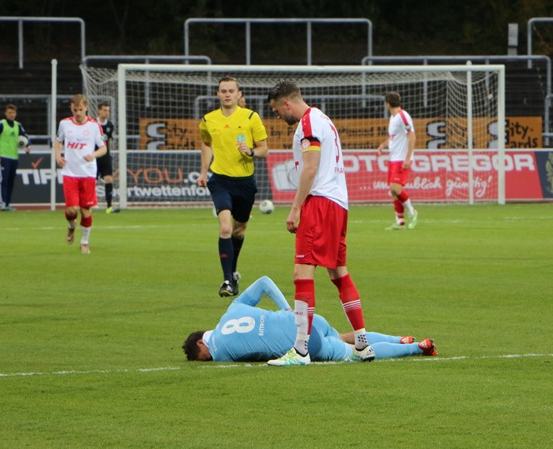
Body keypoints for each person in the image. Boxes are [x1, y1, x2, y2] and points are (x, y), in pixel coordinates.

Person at [266, 79, 375, 366]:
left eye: (277, 111)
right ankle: (362, 343)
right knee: (339, 272)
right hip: (339, 203)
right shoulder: (324, 119)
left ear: (287, 103)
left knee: (302, 270)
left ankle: (300, 350)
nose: (278, 117)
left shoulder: (309, 124)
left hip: (320, 202)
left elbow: (311, 168)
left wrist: (295, 208)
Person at [182, 276, 437, 363]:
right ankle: (400, 338)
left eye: (203, 358)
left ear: (202, 345)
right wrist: (286, 310)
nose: (209, 359)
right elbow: (264, 282)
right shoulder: (233, 310)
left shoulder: (221, 352)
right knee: (345, 336)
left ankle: (416, 347)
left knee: (357, 352)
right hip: (306, 320)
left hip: (304, 345)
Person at [198, 76, 269, 298]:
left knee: (239, 230)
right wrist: (203, 171)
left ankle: (233, 271)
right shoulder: (208, 119)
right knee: (226, 227)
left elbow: (264, 148)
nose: (227, 94)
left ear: (239, 94)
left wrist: (250, 151)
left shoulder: (251, 117)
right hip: (220, 180)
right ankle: (227, 280)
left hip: (245, 182)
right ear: (218, 94)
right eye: (223, 90)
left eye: (231, 90)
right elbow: (207, 144)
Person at [54, 94, 107, 254]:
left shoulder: (94, 126)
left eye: (81, 109)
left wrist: (93, 155)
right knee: (72, 210)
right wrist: (58, 156)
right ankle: (71, 227)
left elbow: (103, 148)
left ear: (86, 109)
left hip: (88, 174)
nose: (78, 113)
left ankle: (84, 242)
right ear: (71, 108)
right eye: (75, 110)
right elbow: (58, 142)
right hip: (70, 172)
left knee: (85, 210)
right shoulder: (64, 123)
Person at [377, 91, 418, 230]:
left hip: (402, 159)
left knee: (396, 187)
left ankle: (412, 212)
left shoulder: (403, 116)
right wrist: (383, 144)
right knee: (392, 190)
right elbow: (393, 137)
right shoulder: (393, 118)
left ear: (387, 104)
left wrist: (408, 158)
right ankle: (399, 221)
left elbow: (412, 136)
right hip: (393, 158)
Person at [0, 104, 30, 211]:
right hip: (3, 156)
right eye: (9, 112)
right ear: (5, 113)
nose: (11, 115)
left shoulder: (18, 125)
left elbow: (26, 137)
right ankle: (2, 203)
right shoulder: (1, 124)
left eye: (13, 113)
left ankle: (7, 204)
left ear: (16, 114)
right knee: (4, 180)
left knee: (11, 181)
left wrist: (27, 145)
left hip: (14, 157)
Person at [94, 101, 118, 214]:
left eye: (108, 110)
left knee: (109, 179)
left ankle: (109, 207)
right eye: (104, 110)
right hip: (94, 156)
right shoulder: (93, 124)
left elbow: (108, 140)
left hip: (105, 156)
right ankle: (91, 204)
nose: (106, 112)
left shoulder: (110, 125)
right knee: (91, 181)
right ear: (99, 111)